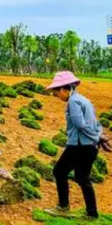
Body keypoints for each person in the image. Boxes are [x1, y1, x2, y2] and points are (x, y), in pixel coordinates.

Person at [44, 71, 112, 220]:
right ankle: (92, 213)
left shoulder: (73, 101)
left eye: (56, 93)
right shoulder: (85, 100)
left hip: (79, 146)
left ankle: (63, 207)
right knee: (82, 178)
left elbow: (80, 125)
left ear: (63, 89)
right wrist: (99, 137)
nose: (56, 96)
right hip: (90, 147)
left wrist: (97, 137)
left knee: (59, 171)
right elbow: (96, 123)